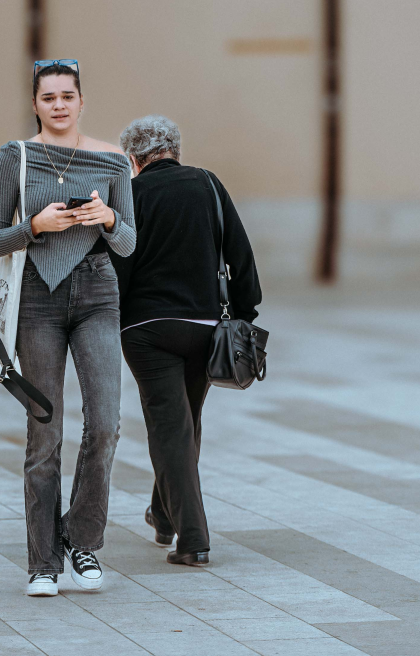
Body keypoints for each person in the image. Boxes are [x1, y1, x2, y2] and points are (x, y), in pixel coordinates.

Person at [0, 61, 136, 597]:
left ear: (80, 100)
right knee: (44, 433)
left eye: (67, 95)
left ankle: (80, 540)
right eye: (48, 97)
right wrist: (36, 226)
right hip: (37, 300)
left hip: (97, 293)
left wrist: (107, 218)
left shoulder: (113, 161)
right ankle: (42, 562)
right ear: (35, 103)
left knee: (106, 423)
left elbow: (129, 243)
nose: (58, 105)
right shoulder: (15, 157)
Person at [114, 115, 261, 566]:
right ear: (174, 149)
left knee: (170, 428)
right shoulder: (208, 184)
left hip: (146, 330)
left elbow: (119, 265)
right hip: (204, 326)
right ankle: (162, 514)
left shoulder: (131, 195)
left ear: (134, 158)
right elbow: (239, 251)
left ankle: (192, 538)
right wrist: (244, 311)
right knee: (186, 422)